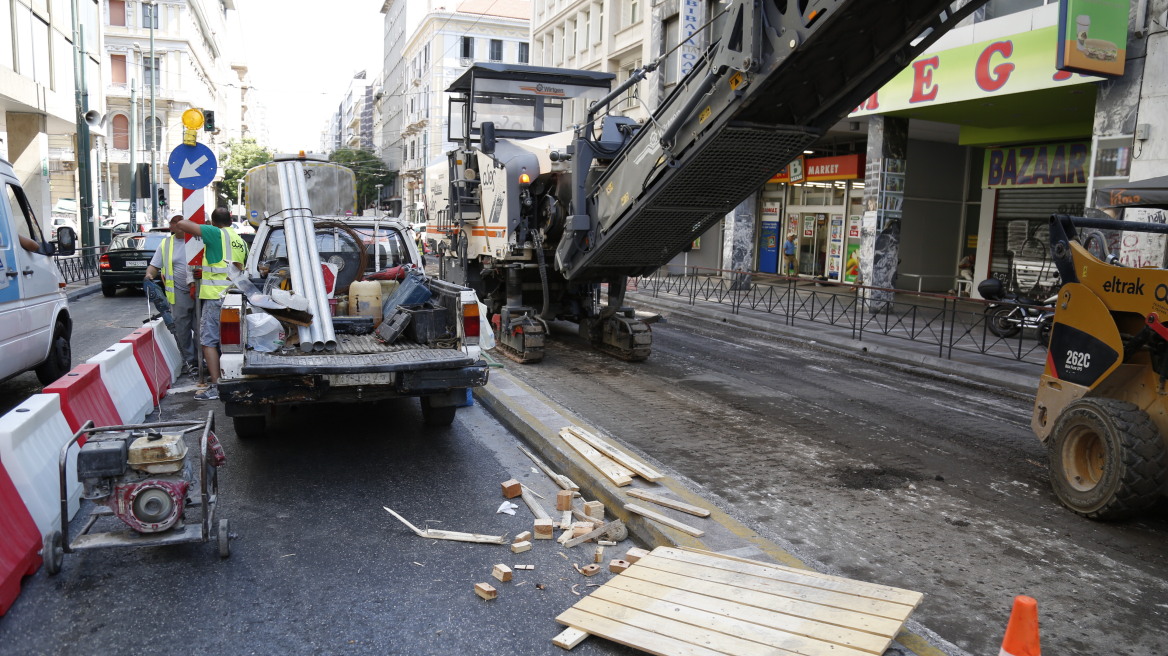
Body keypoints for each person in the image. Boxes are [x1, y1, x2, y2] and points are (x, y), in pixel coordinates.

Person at [175, 207, 248, 401]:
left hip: (216, 296)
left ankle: (217, 386)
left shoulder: (215, 232)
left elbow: (181, 225)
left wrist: (205, 226)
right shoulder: (240, 241)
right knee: (232, 342)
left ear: (214, 222)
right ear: (231, 220)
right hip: (235, 296)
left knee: (208, 341)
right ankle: (234, 378)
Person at [146, 214, 197, 375]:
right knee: (182, 329)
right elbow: (154, 265)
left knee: (200, 328)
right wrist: (148, 276)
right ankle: (190, 361)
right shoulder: (167, 244)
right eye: (171, 224)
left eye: (174, 224)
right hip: (179, 292)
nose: (171, 227)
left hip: (199, 291)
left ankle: (201, 358)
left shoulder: (196, 241)